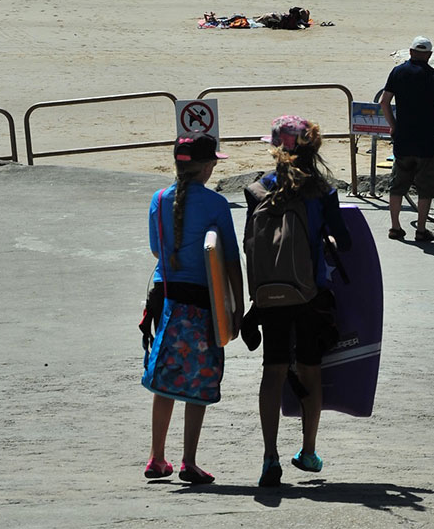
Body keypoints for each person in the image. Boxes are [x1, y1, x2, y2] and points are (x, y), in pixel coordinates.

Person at [245, 116, 352, 488]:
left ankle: (269, 458)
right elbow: (343, 239)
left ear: (276, 148)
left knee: (272, 371)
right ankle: (308, 450)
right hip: (310, 294)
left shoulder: (257, 189)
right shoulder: (322, 190)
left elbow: (251, 245)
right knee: (309, 368)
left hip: (270, 296)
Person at [143, 134, 243, 484]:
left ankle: (156, 458)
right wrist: (238, 307)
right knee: (198, 381)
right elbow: (229, 259)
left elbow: (158, 252)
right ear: (206, 166)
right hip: (205, 304)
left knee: (166, 380)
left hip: (168, 302)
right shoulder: (216, 203)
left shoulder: (158, 199)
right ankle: (188, 461)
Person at [379, 36, 434, 242]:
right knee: (425, 186)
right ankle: (421, 229)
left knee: (398, 185)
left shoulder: (398, 72)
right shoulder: (433, 76)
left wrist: (393, 125)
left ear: (410, 52)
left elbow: (384, 102)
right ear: (428, 55)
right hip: (427, 139)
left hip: (403, 137)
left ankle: (395, 227)